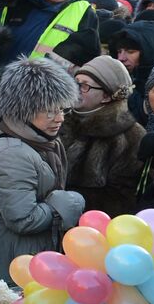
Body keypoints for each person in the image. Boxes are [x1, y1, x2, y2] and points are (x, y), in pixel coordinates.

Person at [0, 57, 85, 275]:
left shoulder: (43, 141)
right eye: (50, 110)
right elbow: (21, 219)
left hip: (25, 252)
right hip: (9, 256)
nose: (60, 118)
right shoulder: (12, 153)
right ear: (24, 108)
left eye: (63, 109)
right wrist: (61, 205)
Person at [59, 55, 145, 216]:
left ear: (107, 96)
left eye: (85, 86)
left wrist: (68, 202)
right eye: (75, 82)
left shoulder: (131, 137)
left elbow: (120, 199)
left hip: (88, 227)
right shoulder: (56, 119)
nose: (76, 90)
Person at [109, 18, 154, 120]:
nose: (121, 58)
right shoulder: (119, 75)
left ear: (149, 52)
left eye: (130, 51)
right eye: (119, 51)